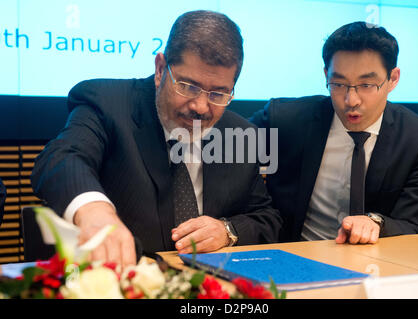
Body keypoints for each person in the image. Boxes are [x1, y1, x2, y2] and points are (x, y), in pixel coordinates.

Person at [31, 10, 282, 267]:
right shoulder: (107, 103)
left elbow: (266, 218)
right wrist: (95, 211)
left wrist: (227, 231)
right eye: (188, 87)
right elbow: (61, 159)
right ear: (161, 68)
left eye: (218, 94)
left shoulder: (239, 134)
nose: (201, 106)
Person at [251, 21, 418, 245]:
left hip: (375, 267)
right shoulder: (285, 119)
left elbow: (415, 226)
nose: (351, 101)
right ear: (325, 74)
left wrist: (377, 223)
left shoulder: (416, 137)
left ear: (393, 79)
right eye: (338, 84)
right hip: (296, 259)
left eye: (367, 84)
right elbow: (223, 147)